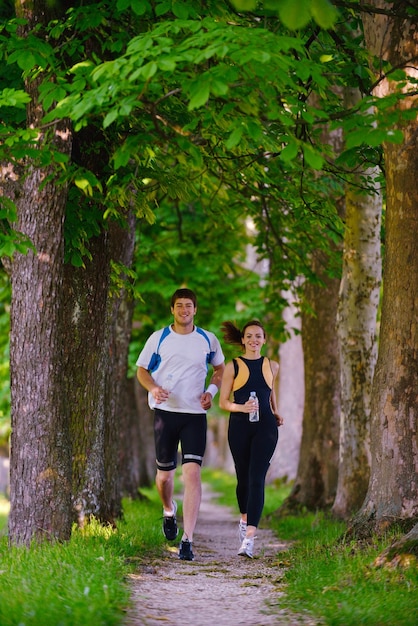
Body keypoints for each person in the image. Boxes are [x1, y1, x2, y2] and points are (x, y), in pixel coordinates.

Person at [136, 288, 225, 561]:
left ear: (195, 309)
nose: (184, 310)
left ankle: (188, 539)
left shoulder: (207, 339)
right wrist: (153, 388)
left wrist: (211, 391)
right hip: (165, 412)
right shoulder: (159, 338)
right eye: (179, 306)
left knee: (192, 474)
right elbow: (141, 370)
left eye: (189, 305)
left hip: (195, 415)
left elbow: (220, 369)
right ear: (172, 310)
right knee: (164, 476)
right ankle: (168, 510)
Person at [219, 320, 283, 558]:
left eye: (258, 336)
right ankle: (244, 519)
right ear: (243, 340)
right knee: (243, 479)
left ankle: (249, 539)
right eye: (249, 336)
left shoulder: (272, 365)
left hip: (266, 427)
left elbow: (270, 391)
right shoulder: (232, 366)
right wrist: (241, 408)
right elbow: (223, 402)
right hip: (239, 427)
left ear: (264, 339)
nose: (254, 340)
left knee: (257, 479)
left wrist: (275, 411)